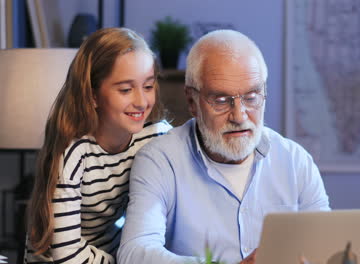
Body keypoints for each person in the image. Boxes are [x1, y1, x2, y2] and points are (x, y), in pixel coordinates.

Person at [118, 29, 329, 264]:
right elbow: (134, 253)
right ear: (192, 102)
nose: (239, 116)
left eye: (251, 97)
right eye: (220, 100)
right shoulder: (159, 160)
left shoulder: (295, 161)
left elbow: (324, 246)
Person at [25, 27, 172, 263]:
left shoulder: (155, 136)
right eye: (125, 89)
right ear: (92, 96)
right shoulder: (73, 153)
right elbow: (66, 254)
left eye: (148, 86)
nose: (141, 102)